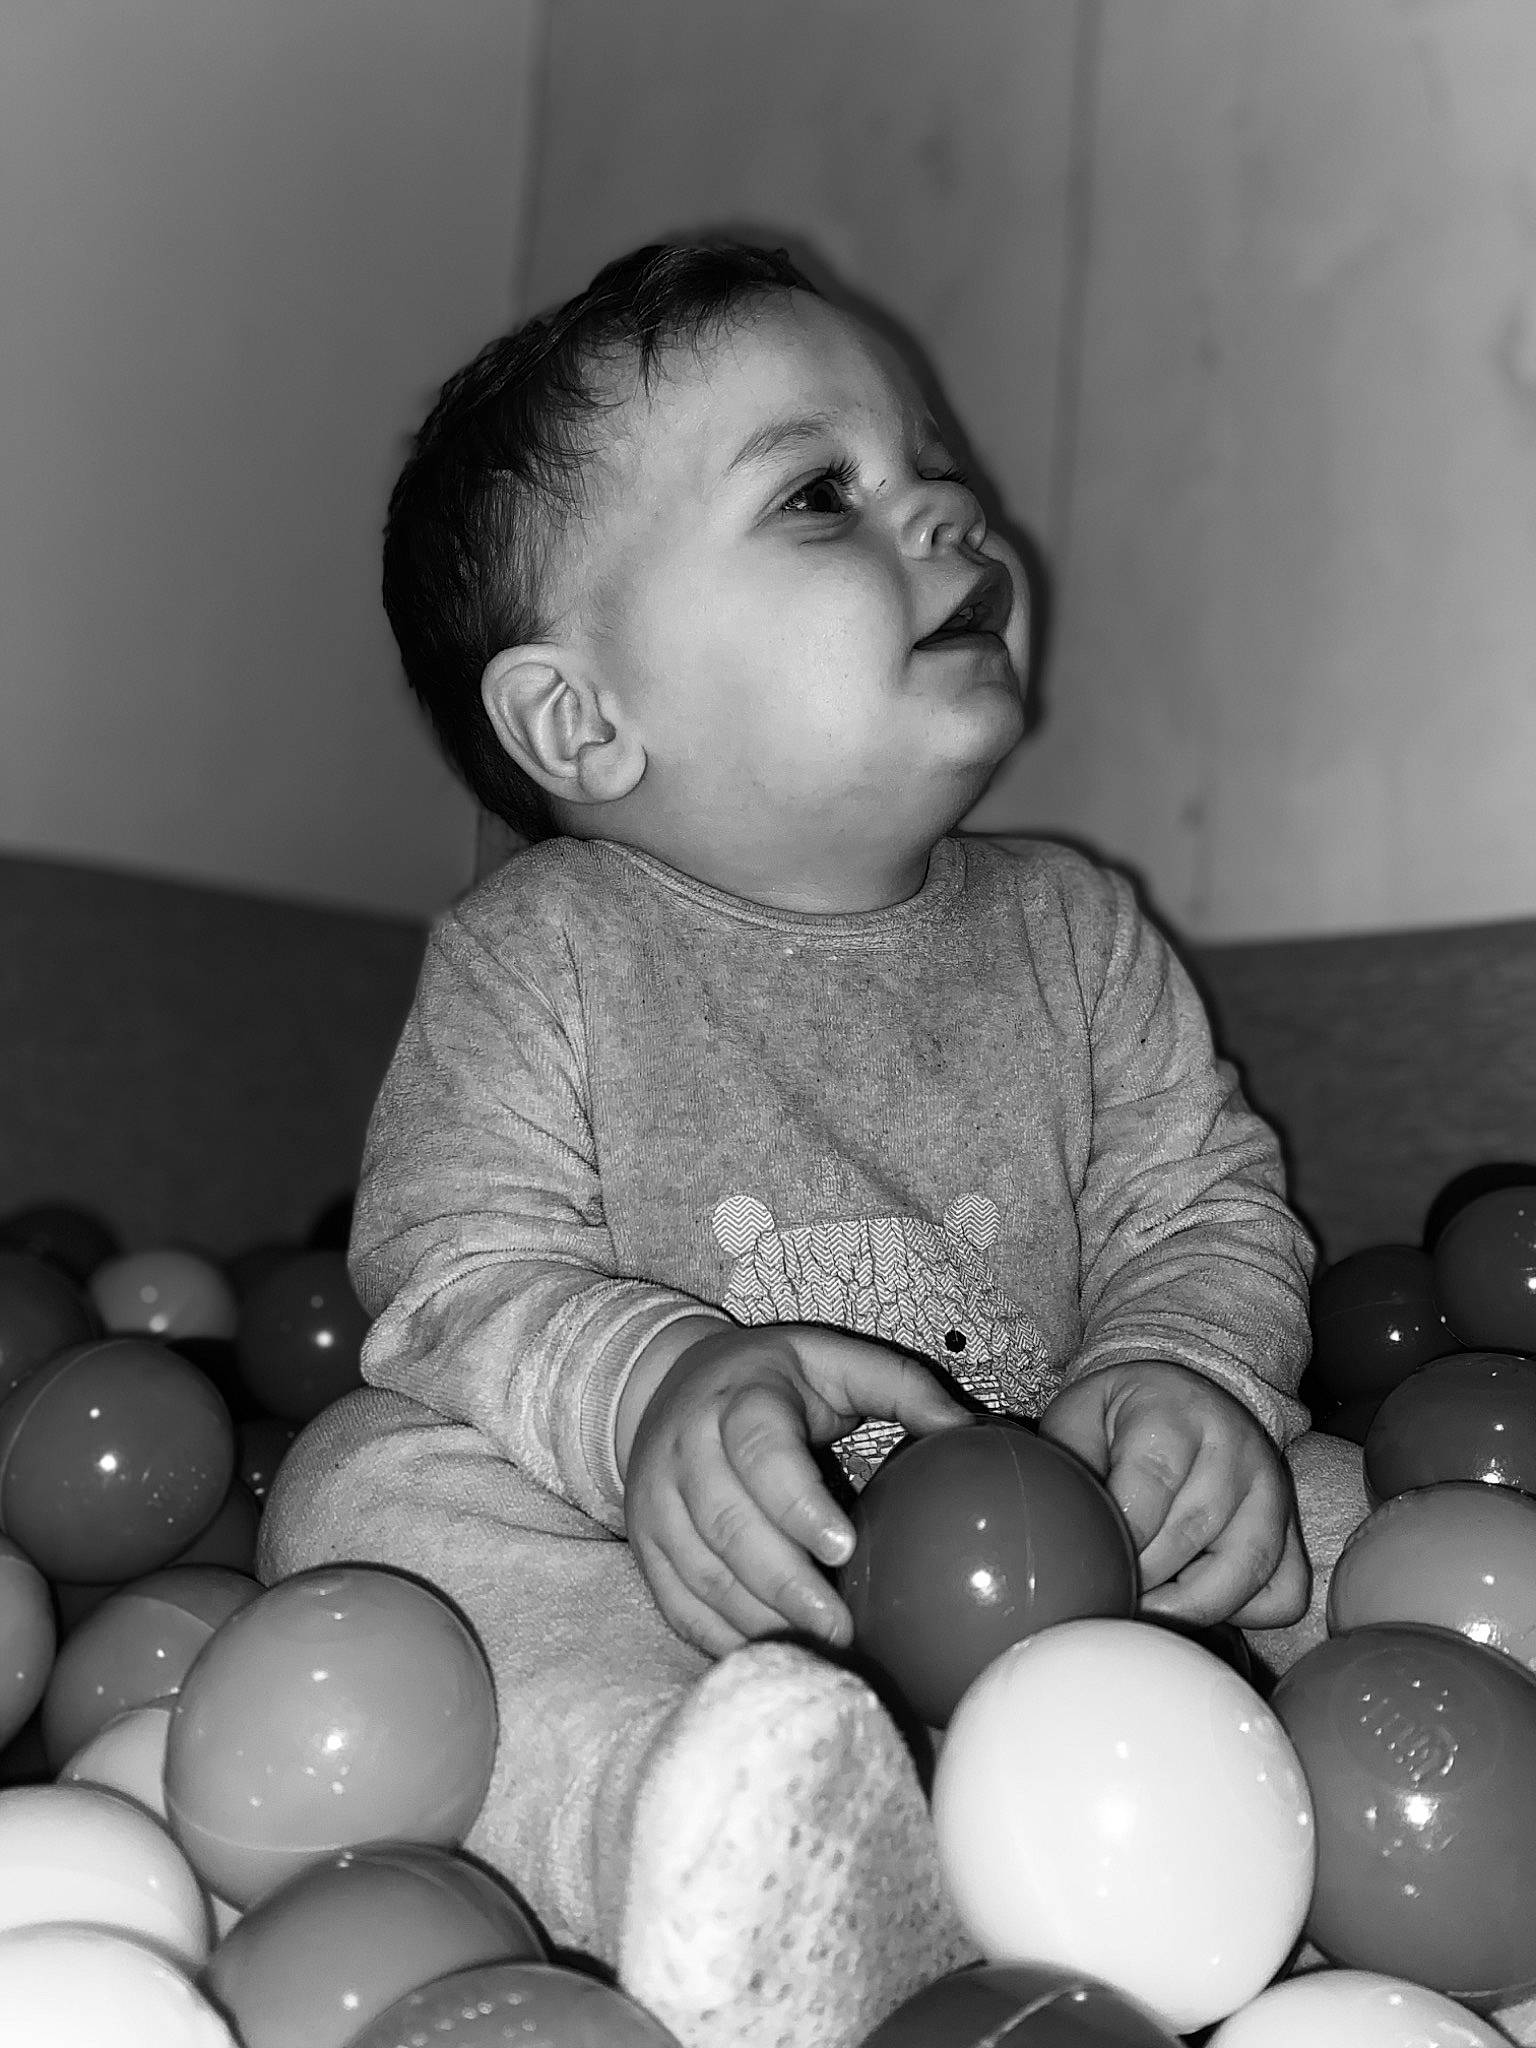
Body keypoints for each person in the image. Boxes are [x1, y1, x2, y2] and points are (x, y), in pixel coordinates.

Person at [258, 241, 1368, 2048]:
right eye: (819, 493)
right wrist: (657, 1396)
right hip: (685, 1580)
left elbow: (1207, 1204)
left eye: (933, 462)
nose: (945, 505)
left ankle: (1227, 1841)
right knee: (368, 1495)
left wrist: (1183, 1376)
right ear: (582, 719)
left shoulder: (1077, 930)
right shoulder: (544, 950)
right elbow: (454, 1270)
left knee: (1326, 1506)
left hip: (1066, 1553)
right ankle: (703, 1834)